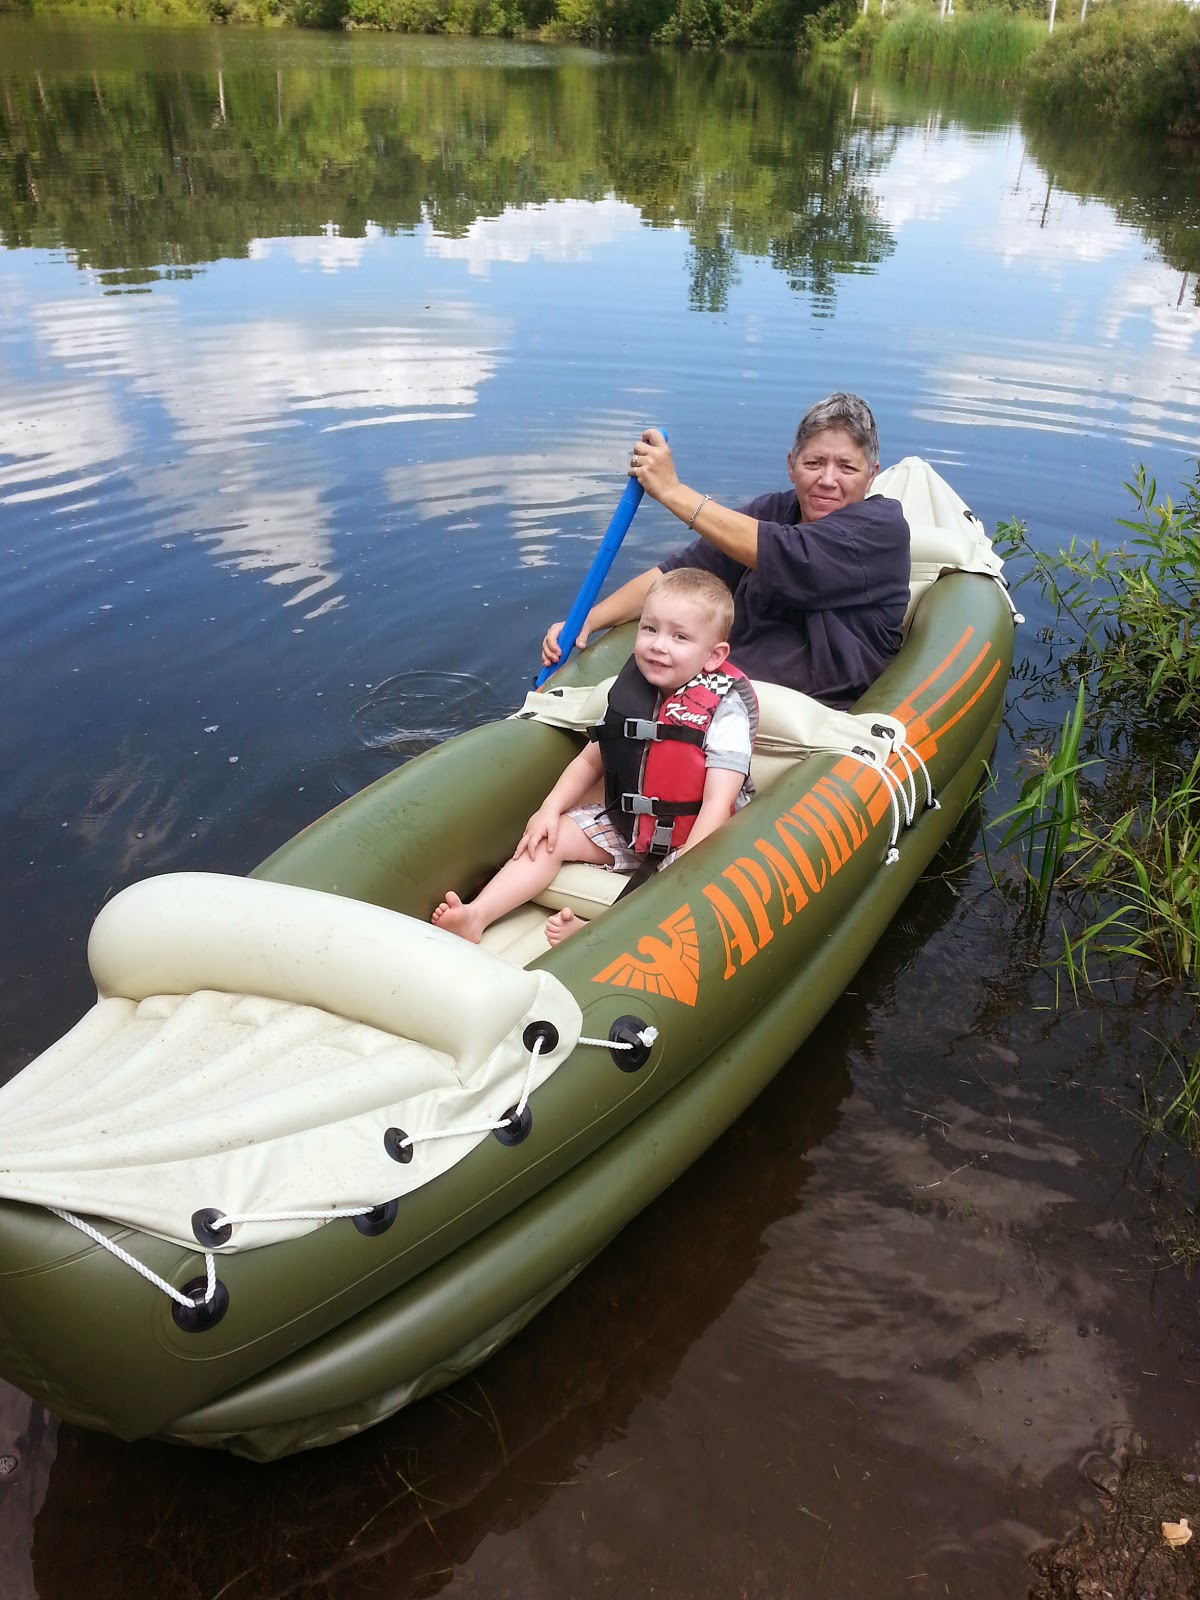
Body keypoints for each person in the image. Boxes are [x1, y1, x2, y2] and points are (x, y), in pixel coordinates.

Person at [433, 569, 757, 946]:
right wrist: (549, 810)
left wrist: (685, 863)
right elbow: (592, 761)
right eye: (649, 629)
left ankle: (600, 938)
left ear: (714, 656)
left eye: (679, 637)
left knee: (678, 886)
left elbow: (718, 805)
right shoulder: (632, 691)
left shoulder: (725, 709)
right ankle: (477, 914)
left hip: (696, 838)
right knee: (550, 838)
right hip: (631, 826)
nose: (657, 645)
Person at [541, 393, 911, 711]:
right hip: (723, 685)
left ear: (872, 474)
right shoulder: (770, 513)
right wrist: (589, 619)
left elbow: (785, 552)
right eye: (814, 463)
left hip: (813, 711)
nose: (828, 480)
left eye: (846, 467)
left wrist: (672, 491)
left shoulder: (881, 530)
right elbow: (675, 574)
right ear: (791, 466)